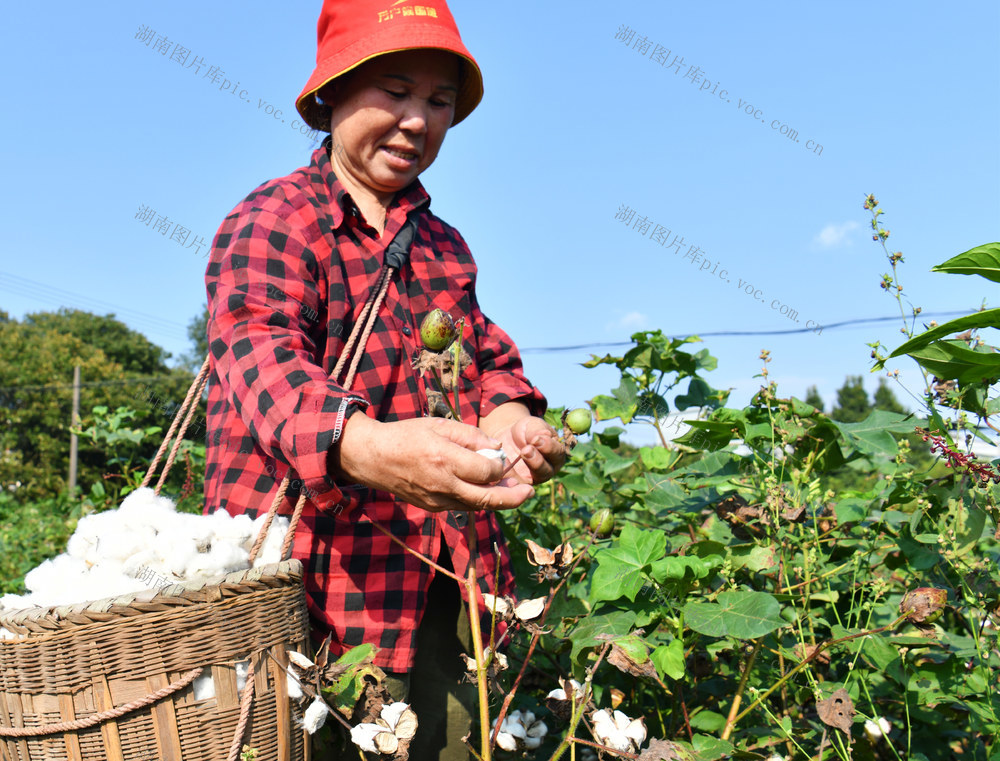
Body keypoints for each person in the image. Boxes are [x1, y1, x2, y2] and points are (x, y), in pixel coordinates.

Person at [203, 1, 565, 757]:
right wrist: (368, 446)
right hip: (310, 596)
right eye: (394, 91)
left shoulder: (442, 245)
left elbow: (486, 358)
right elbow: (262, 361)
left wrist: (508, 421)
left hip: (441, 587)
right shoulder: (277, 220)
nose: (416, 121)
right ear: (331, 91)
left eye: (438, 102)